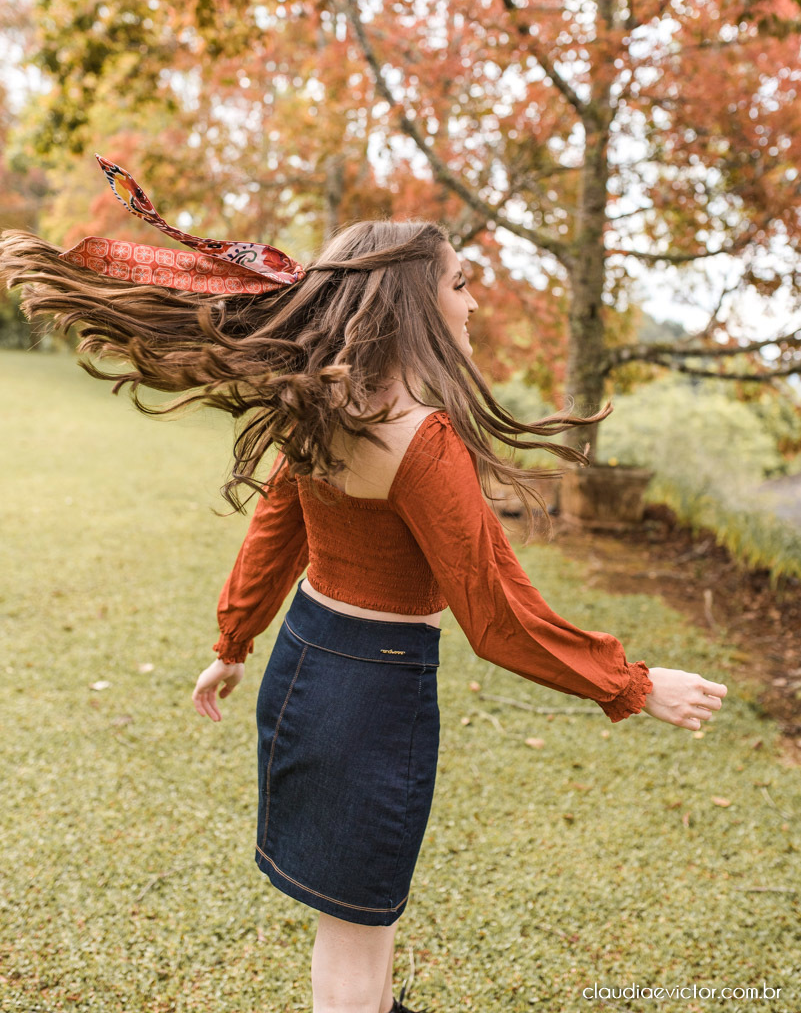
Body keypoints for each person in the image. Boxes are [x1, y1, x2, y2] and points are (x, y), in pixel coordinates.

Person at [1, 188, 727, 1013]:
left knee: (359, 926)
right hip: (373, 697)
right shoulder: (421, 441)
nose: (473, 298)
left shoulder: (319, 403)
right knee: (354, 942)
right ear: (415, 297)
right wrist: (632, 683)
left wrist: (233, 644)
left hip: (305, 669)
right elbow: (495, 616)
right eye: (459, 282)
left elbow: (276, 532)